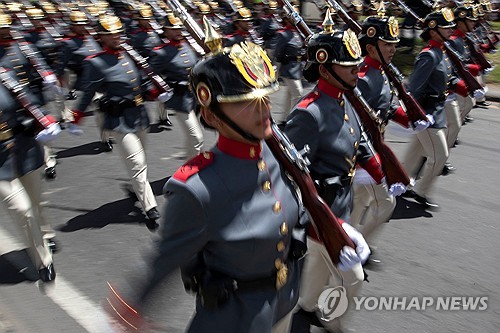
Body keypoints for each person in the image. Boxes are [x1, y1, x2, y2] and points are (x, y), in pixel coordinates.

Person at [107, 37, 369, 333]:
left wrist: (331, 228)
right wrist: (129, 310)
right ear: (210, 115)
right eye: (245, 103)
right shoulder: (195, 188)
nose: (262, 109)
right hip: (235, 319)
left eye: (265, 98)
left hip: (283, 301)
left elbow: (290, 212)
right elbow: (162, 261)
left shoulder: (275, 153)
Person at [284, 23, 375, 332]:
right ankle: (334, 324)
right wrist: (326, 223)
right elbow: (292, 174)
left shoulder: (342, 98)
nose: (356, 70)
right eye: (348, 66)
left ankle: (308, 308)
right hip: (319, 215)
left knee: (320, 273)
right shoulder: (309, 112)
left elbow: (358, 140)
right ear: (324, 69)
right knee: (353, 277)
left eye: (357, 64)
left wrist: (379, 170)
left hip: (341, 206)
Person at [70, 15, 165, 230]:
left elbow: (141, 80)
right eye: (110, 34)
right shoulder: (95, 62)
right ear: (101, 36)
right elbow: (88, 93)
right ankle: (149, 206)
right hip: (120, 120)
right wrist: (76, 118)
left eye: (118, 33)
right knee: (138, 163)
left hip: (139, 114)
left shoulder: (129, 53)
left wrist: (155, 91)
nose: (116, 37)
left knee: (141, 160)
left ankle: (136, 187)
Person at [353, 13, 419, 265]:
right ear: (370, 47)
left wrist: (412, 118)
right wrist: (362, 160)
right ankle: (359, 247)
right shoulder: (363, 78)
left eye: (393, 43)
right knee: (387, 202)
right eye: (386, 44)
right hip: (363, 156)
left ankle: (346, 243)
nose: (393, 49)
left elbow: (387, 107)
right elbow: (353, 121)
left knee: (361, 202)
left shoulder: (379, 72)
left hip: (372, 148)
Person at [402, 8, 480, 210]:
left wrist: (462, 86)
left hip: (436, 111)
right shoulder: (428, 55)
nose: (449, 30)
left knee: (415, 151)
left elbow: (448, 77)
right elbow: (414, 89)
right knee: (440, 156)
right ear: (433, 30)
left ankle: (401, 181)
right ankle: (421, 190)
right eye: (444, 27)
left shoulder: (441, 53)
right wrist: (416, 114)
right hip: (427, 114)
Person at [0, 66, 61, 282]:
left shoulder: (5, 75)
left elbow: (30, 102)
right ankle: (43, 261)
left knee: (35, 203)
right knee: (23, 209)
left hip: (21, 149)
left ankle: (45, 234)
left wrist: (36, 123)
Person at [149, 14, 204, 158]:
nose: (178, 31)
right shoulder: (161, 52)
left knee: (191, 137)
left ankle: (187, 164)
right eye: (173, 29)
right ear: (165, 31)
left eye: (179, 28)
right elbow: (150, 75)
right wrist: (158, 93)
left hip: (196, 97)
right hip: (180, 99)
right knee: (196, 137)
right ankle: (193, 170)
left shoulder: (187, 44)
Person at [273, 6, 304, 124]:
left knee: (290, 94)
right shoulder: (283, 34)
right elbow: (277, 53)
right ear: (286, 19)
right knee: (298, 93)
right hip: (288, 68)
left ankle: (284, 118)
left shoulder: (297, 32)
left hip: (296, 67)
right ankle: (293, 118)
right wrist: (275, 71)